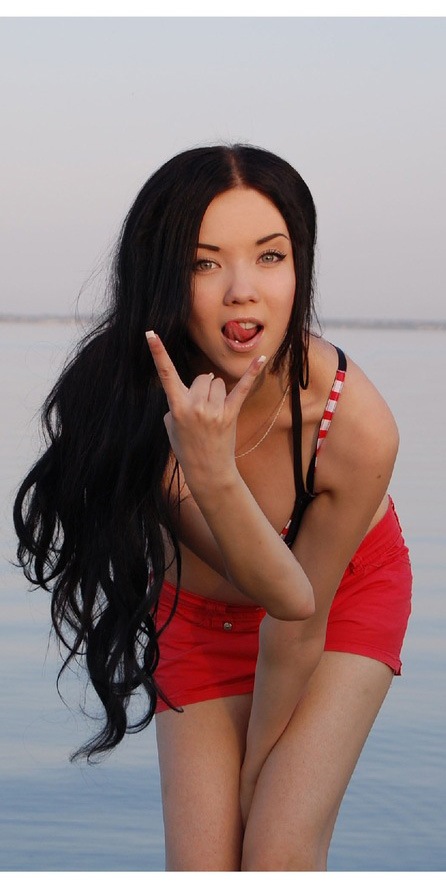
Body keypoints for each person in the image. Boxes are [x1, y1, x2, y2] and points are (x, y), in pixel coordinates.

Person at [13, 144, 412, 871]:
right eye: (204, 263)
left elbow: (297, 610)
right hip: (200, 618)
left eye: (270, 256)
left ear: (300, 267)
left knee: (277, 852)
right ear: (162, 275)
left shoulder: (353, 425)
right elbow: (264, 584)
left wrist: (259, 770)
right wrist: (199, 464)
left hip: (338, 604)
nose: (242, 291)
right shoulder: (125, 402)